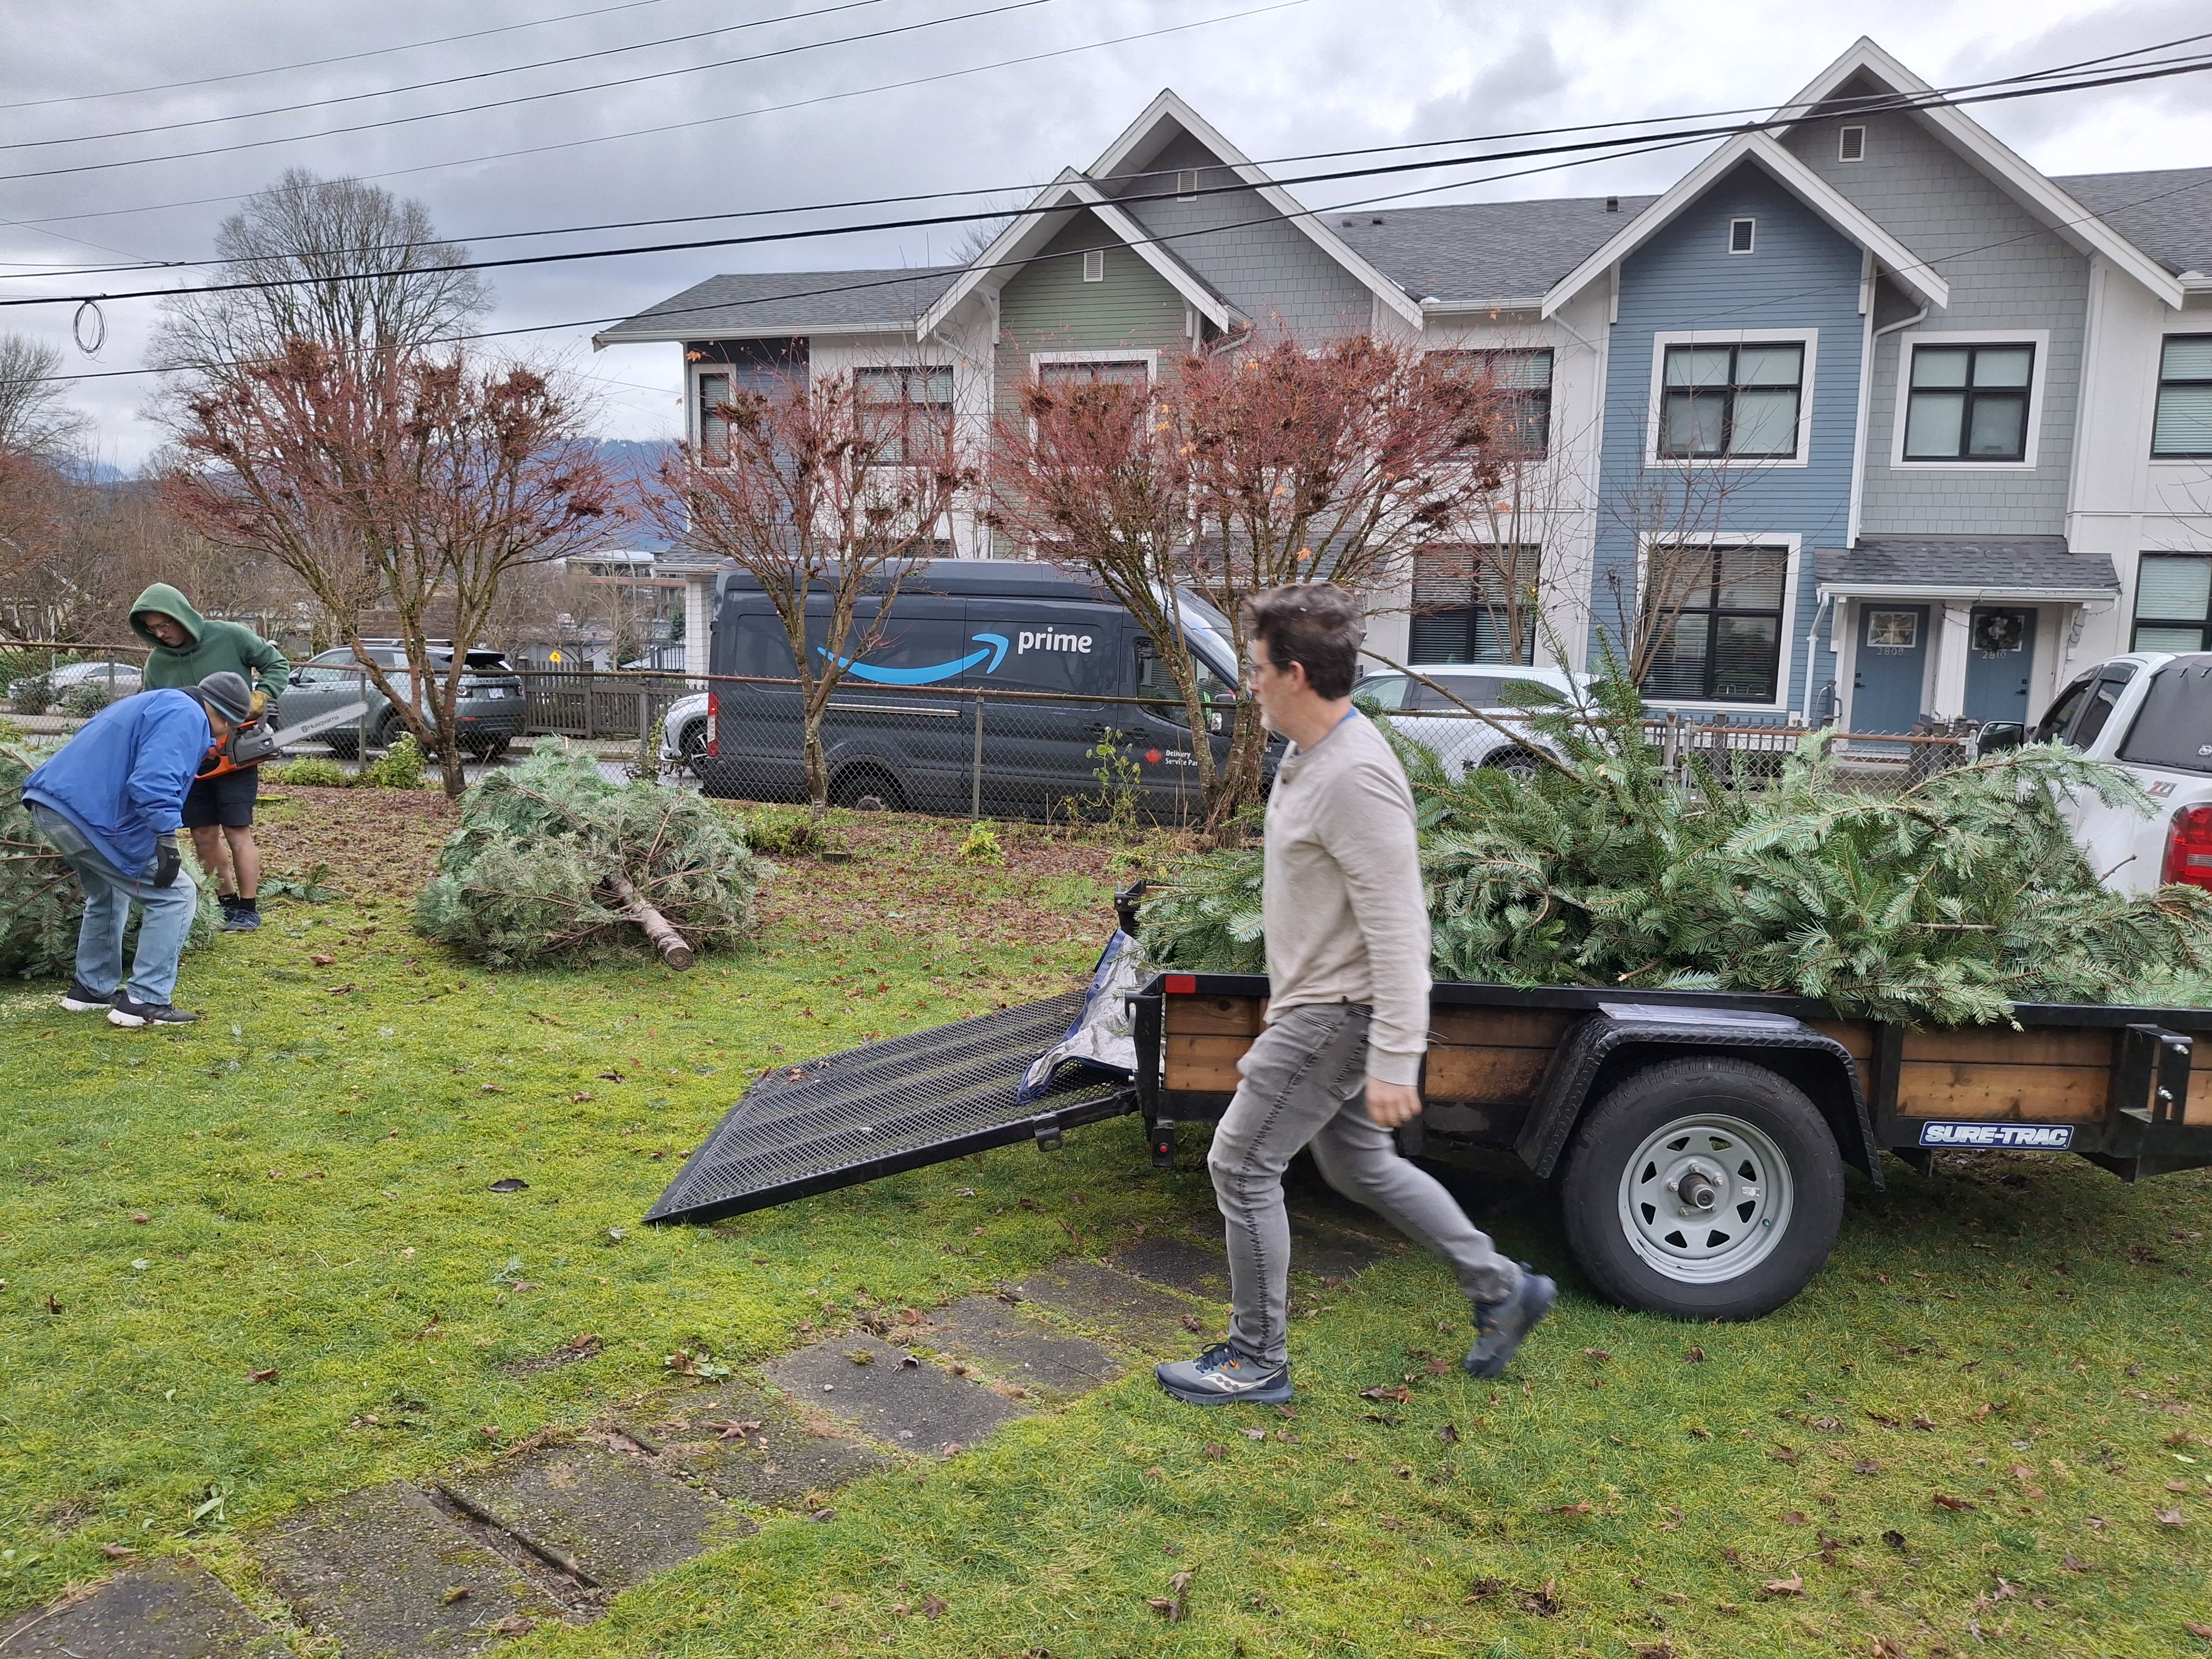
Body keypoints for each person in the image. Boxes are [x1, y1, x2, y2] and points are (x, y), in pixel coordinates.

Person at [1154, 584, 1554, 1407]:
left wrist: (1396, 1058)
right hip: (1322, 1003)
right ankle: (1501, 1288)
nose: (1249, 684)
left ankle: (1256, 1357)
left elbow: (1403, 929)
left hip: (1339, 1013)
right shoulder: (1311, 757)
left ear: (1295, 674)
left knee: (1240, 1162)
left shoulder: (1356, 778)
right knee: (1357, 1164)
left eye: (1258, 669)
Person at [22, 672, 254, 1027]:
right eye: (227, 730)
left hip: (54, 806)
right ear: (224, 715)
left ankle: (91, 990)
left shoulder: (158, 700)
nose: (222, 739)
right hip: (90, 815)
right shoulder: (187, 715)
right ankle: (145, 1000)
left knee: (110, 892)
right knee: (176, 895)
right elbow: (152, 782)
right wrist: (166, 840)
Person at [129, 583, 290, 934]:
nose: (161, 633)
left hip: (237, 752)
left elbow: (276, 664)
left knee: (237, 831)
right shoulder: (157, 662)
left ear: (179, 615)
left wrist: (262, 696)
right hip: (193, 761)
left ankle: (249, 907)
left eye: (165, 625)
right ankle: (226, 902)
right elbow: (155, 709)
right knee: (202, 833)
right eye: (153, 629)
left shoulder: (230, 636)